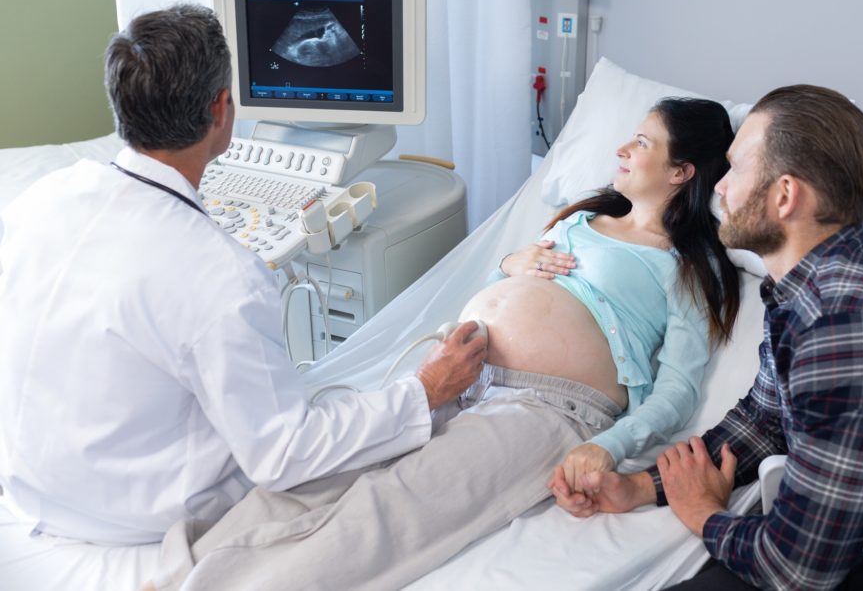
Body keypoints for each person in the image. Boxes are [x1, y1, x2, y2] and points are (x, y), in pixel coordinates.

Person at [147, 97, 742, 590]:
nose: (622, 149)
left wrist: (609, 447)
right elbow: (501, 290)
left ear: (681, 171)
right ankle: (180, 567)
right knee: (318, 478)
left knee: (391, 509)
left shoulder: (687, 268)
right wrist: (509, 264)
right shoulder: (577, 220)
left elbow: (678, 393)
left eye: (641, 142)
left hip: (548, 409)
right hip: (457, 372)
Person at [0, 4, 485, 547]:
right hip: (132, 520)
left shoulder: (39, 198)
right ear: (222, 109)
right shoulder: (220, 274)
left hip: (31, 488)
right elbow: (283, 455)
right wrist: (424, 389)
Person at [552, 85, 863, 591]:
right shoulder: (818, 282)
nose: (721, 189)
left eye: (734, 170)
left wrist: (704, 512)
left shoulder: (847, 334)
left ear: (784, 195)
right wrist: (640, 488)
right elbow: (766, 419)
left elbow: (794, 571)